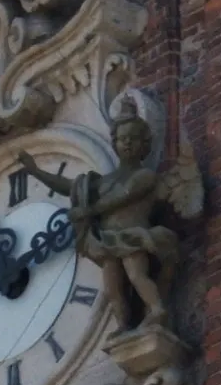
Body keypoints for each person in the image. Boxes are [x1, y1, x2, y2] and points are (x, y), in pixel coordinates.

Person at [18, 111, 180, 331]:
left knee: (136, 275)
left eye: (133, 138)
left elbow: (122, 196)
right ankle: (123, 325)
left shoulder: (145, 176)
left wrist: (88, 211)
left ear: (145, 145)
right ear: (115, 143)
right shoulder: (104, 182)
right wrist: (36, 172)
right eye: (123, 138)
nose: (128, 143)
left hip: (131, 234)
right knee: (112, 288)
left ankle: (157, 310)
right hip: (106, 240)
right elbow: (69, 186)